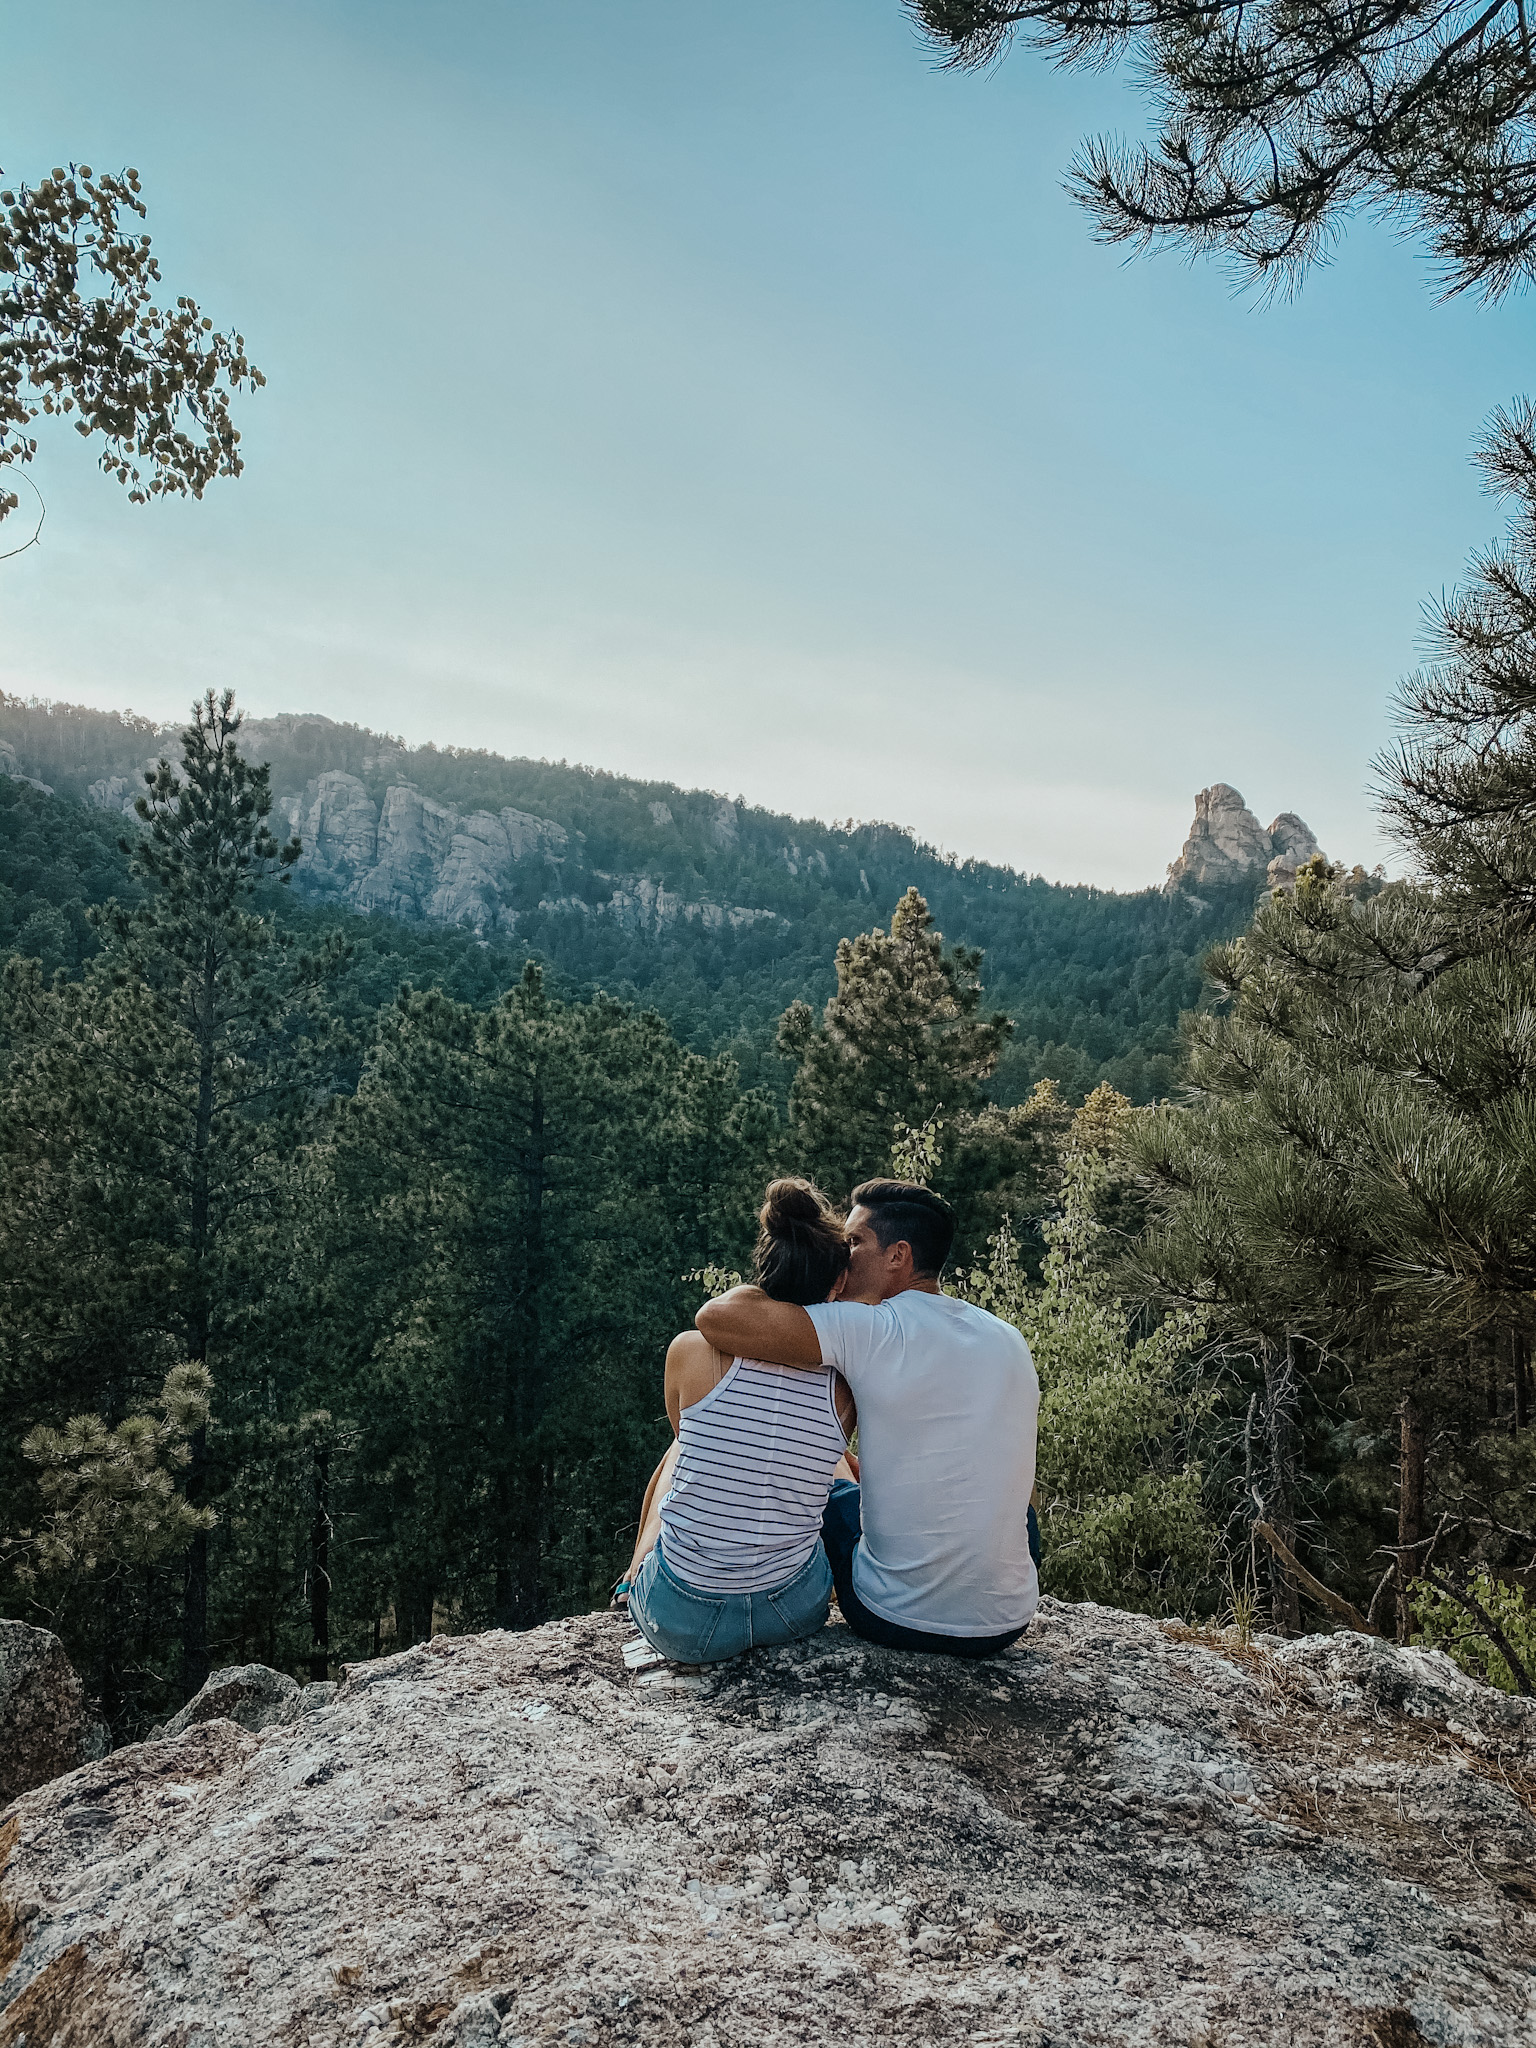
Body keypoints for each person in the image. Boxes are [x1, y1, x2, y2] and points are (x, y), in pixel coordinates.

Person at [697, 1178, 1040, 1658]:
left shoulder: (871, 1329)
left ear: (898, 1256)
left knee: (831, 1492)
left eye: (854, 1241)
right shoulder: (1009, 1338)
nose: (843, 1252)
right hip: (1005, 1624)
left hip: (891, 1619)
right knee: (1014, 1509)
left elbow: (718, 1317)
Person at [617, 1179, 859, 1664]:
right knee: (836, 1461)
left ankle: (633, 1575)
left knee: (683, 1449)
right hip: (792, 1612)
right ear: (837, 1283)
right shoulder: (845, 1383)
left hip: (684, 1623)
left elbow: (686, 1438)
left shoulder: (690, 1351)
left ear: (762, 1270)